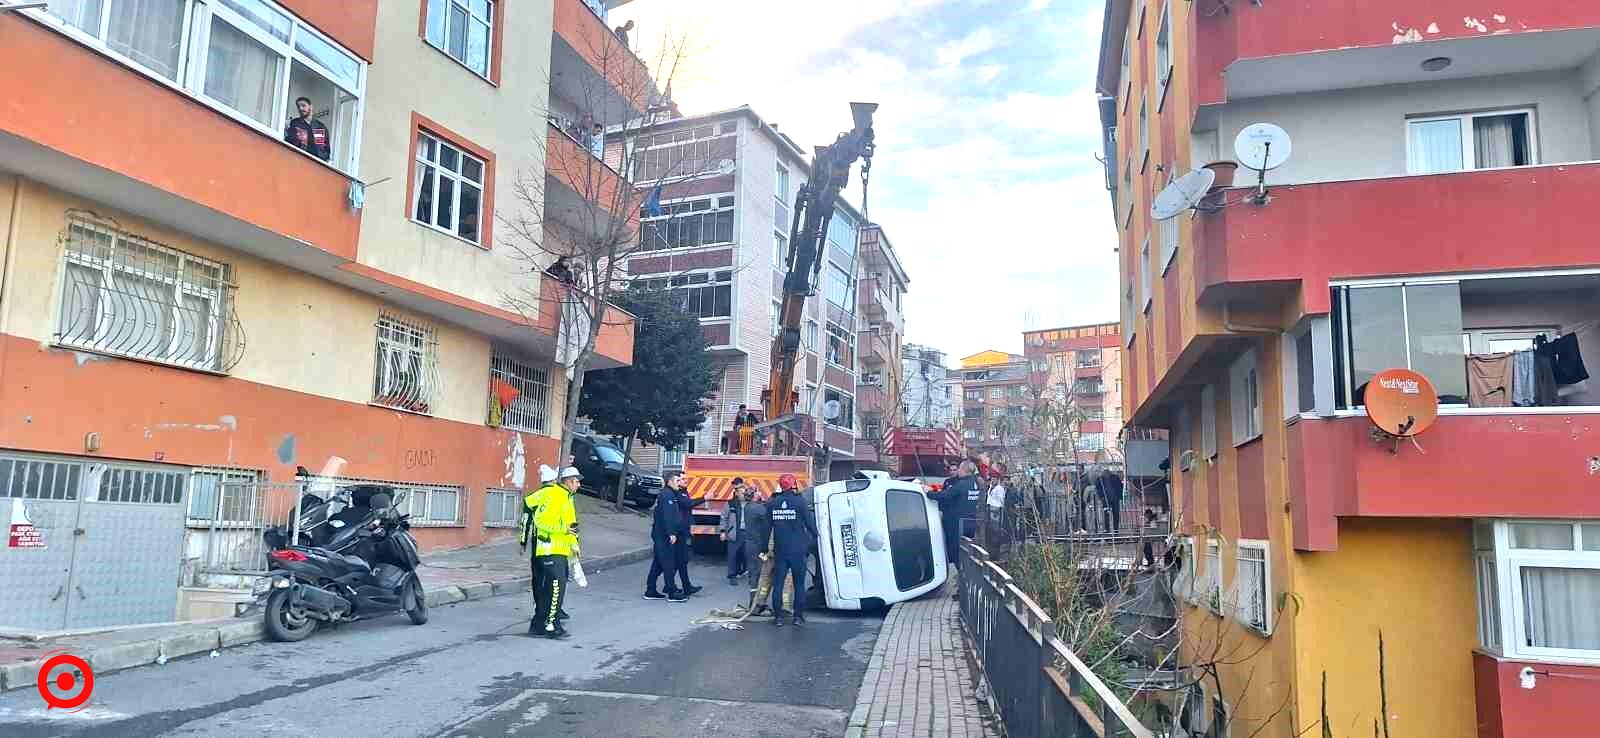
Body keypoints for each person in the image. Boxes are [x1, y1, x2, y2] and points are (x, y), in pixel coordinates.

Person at [530, 467, 581, 638]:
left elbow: (571, 527)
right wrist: (562, 530)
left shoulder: (567, 498)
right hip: (549, 550)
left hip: (560, 550)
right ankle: (552, 626)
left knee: (549, 590)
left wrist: (574, 546)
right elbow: (540, 520)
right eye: (576, 481)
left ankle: (538, 625)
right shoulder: (554, 495)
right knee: (556, 589)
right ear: (568, 482)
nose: (579, 485)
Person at [767, 473, 817, 627]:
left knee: (778, 584)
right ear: (794, 485)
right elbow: (810, 525)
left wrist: (764, 549)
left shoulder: (773, 503)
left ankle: (778, 618)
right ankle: (797, 617)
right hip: (798, 550)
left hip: (780, 550)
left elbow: (766, 528)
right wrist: (816, 537)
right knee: (799, 585)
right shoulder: (800, 502)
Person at [518, 465, 566, 621]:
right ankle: (549, 613)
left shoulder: (533, 497)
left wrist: (523, 542)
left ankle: (542, 609)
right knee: (555, 581)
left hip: (536, 543)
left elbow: (525, 521)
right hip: (553, 544)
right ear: (553, 480)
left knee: (539, 579)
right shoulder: (557, 495)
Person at [645, 472, 690, 602]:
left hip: (662, 534)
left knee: (658, 564)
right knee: (669, 563)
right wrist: (671, 533)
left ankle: (650, 590)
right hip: (663, 535)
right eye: (677, 480)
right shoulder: (667, 495)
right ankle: (671, 592)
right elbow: (667, 516)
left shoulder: (671, 494)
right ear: (669, 482)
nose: (679, 483)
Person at [928, 461, 977, 567]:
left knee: (957, 551)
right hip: (970, 522)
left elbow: (946, 495)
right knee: (966, 549)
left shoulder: (962, 484)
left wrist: (928, 492)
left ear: (964, 470)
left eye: (959, 468)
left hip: (958, 524)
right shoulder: (975, 482)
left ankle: (960, 572)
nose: (958, 471)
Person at [742, 483, 773, 611]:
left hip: (751, 545)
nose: (760, 493)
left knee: (756, 573)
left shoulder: (749, 507)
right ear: (754, 495)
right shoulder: (756, 508)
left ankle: (757, 603)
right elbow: (769, 513)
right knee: (757, 574)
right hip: (756, 547)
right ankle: (755, 605)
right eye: (758, 492)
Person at [720, 478, 749, 585]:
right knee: (732, 555)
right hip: (734, 533)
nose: (743, 494)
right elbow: (724, 517)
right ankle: (732, 575)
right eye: (741, 492)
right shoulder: (730, 504)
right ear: (736, 493)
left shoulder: (749, 503)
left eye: (744, 492)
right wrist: (723, 531)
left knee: (746, 554)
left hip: (747, 533)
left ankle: (742, 570)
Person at [283, 97, 331, 161]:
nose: (300, 108)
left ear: (310, 107)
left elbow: (325, 150)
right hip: (298, 159)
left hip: (315, 163)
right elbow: (289, 142)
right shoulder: (294, 123)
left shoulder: (320, 127)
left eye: (303, 105)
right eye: (298, 106)